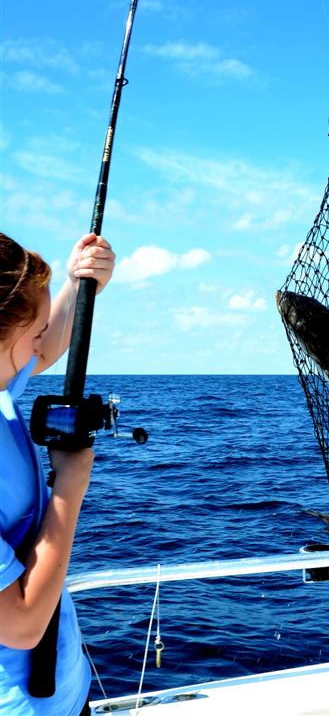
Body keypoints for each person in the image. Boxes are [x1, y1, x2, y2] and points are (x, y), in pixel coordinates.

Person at [0, 232, 116, 715]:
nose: (44, 347)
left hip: (64, 695)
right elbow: (22, 624)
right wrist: (70, 484)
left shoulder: (2, 394)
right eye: (37, 330)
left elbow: (45, 351)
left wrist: (79, 282)